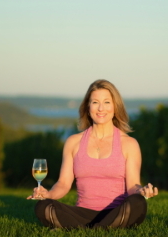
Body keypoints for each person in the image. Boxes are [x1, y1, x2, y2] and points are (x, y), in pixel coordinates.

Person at [27, 79, 158, 230]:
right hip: (81, 212)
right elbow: (63, 184)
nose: (101, 108)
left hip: (116, 211)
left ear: (115, 107)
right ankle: (103, 227)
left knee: (138, 203)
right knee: (43, 206)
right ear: (88, 107)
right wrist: (48, 194)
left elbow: (132, 187)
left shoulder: (129, 144)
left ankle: (82, 227)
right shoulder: (73, 142)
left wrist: (141, 191)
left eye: (107, 102)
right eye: (95, 102)